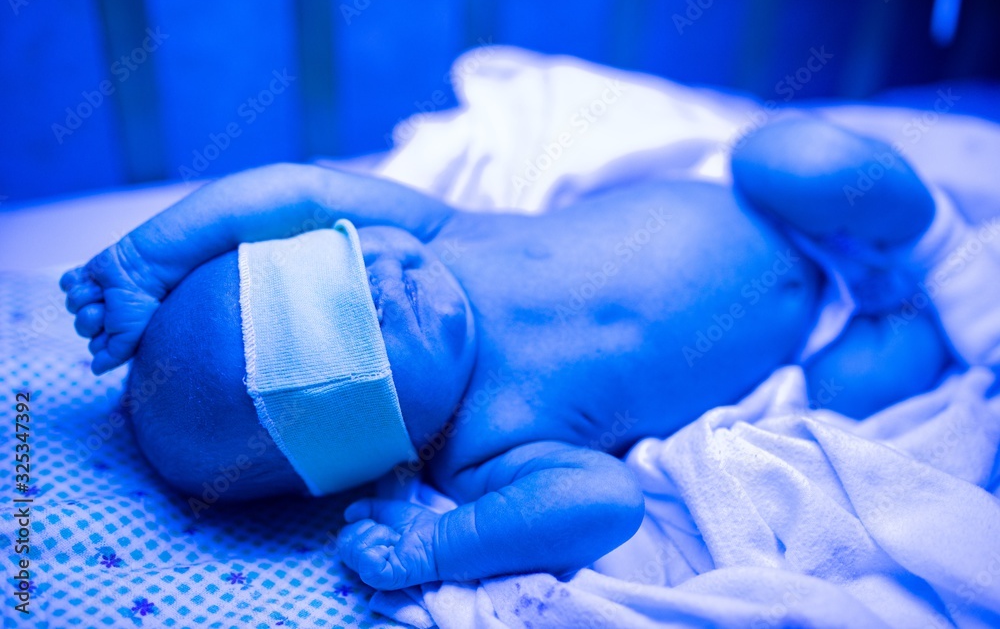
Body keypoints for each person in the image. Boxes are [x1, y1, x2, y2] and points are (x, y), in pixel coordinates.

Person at [60, 117, 947, 590]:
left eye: (336, 259)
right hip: (822, 342)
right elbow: (603, 501)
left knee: (803, 154)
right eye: (354, 329)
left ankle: (942, 241)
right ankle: (921, 294)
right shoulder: (485, 440)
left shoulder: (441, 230)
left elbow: (298, 186)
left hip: (764, 199)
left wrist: (147, 256)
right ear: (374, 439)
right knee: (870, 384)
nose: (383, 282)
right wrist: (440, 549)